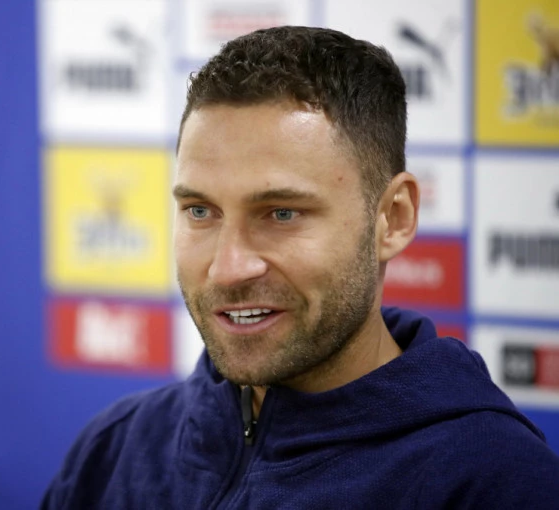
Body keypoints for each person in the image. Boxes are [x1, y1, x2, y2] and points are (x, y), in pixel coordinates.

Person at [41, 26, 559, 509]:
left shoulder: (496, 482)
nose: (228, 268)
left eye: (281, 213)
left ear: (393, 218)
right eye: (200, 211)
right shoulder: (115, 449)